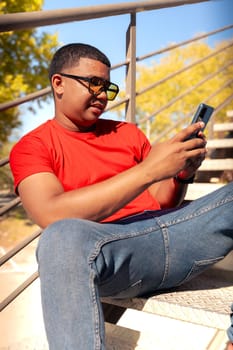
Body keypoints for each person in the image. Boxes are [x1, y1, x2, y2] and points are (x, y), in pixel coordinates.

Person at [10, 43, 233, 350]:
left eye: (108, 87)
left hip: (179, 236)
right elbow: (50, 214)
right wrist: (149, 170)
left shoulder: (128, 134)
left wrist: (181, 173)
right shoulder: (32, 147)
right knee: (59, 237)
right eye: (94, 83)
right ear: (58, 83)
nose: (102, 94)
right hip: (118, 256)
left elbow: (163, 201)